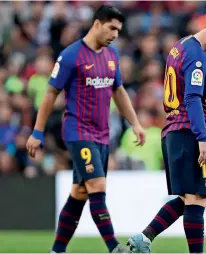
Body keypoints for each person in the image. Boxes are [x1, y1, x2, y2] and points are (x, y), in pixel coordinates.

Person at [25, 5, 146, 253]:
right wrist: (37, 132)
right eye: (112, 28)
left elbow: (118, 91)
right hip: (78, 132)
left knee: (80, 192)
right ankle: (114, 247)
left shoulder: (111, 56)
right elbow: (50, 94)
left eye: (119, 30)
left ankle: (57, 250)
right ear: (97, 24)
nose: (115, 34)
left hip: (102, 134)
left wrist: (135, 123)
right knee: (97, 186)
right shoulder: (71, 56)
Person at [126, 11, 206, 254]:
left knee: (190, 197)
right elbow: (191, 98)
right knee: (197, 199)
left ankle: (145, 238)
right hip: (188, 130)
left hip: (175, 129)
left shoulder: (180, 46)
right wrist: (203, 138)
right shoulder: (197, 56)